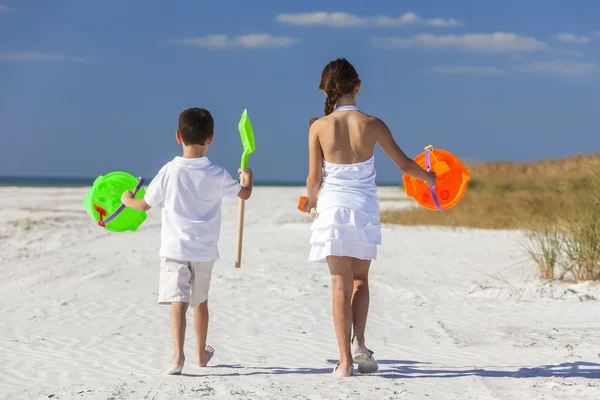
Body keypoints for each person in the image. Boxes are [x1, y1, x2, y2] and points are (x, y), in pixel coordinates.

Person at [305, 58, 436, 377]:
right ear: (358, 86)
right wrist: (431, 180)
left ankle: (345, 362)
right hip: (363, 207)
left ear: (326, 89)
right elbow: (405, 165)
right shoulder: (373, 123)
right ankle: (360, 343)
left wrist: (311, 202)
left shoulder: (318, 127)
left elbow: (313, 178)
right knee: (360, 279)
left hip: (333, 207)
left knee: (339, 282)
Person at [121, 107, 254, 375]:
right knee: (200, 302)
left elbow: (145, 205)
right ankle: (201, 355)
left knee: (177, 302)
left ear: (178, 136)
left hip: (174, 249)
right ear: (211, 138)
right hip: (204, 251)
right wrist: (248, 180)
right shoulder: (217, 173)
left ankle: (178, 356)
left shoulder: (169, 171)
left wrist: (126, 200)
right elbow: (243, 195)